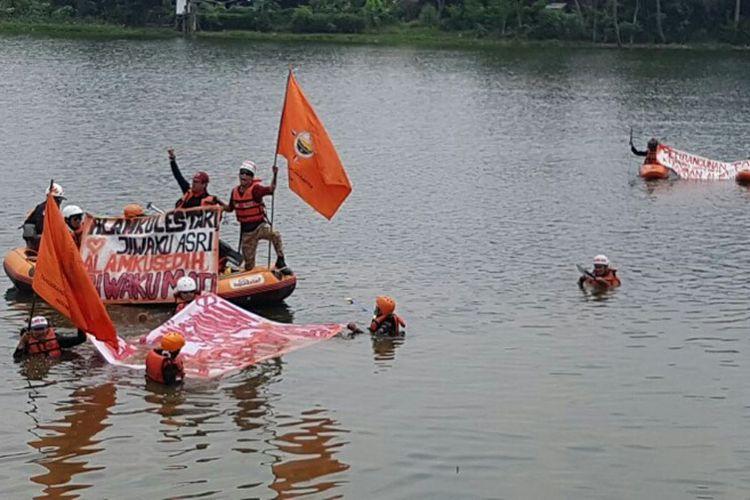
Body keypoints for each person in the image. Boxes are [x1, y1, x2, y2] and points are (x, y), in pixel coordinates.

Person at [224, 160, 291, 274]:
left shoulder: (256, 189)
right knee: (249, 266)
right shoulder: (234, 192)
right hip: (247, 233)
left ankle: (280, 261)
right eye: (242, 173)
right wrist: (217, 205)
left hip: (260, 227)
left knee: (275, 235)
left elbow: (271, 189)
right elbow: (230, 208)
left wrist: (275, 175)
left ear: (251, 177)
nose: (244, 176)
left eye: (247, 174)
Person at [13, 315, 86, 361]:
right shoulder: (27, 341)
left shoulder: (57, 339)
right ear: (31, 330)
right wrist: (22, 341)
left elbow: (81, 339)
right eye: (37, 329)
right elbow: (17, 358)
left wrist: (79, 323)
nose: (40, 332)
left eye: (42, 328)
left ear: (48, 328)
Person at [23, 183, 65, 251]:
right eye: (58, 200)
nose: (59, 203)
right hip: (40, 241)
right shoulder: (46, 210)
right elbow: (42, 227)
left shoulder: (42, 207)